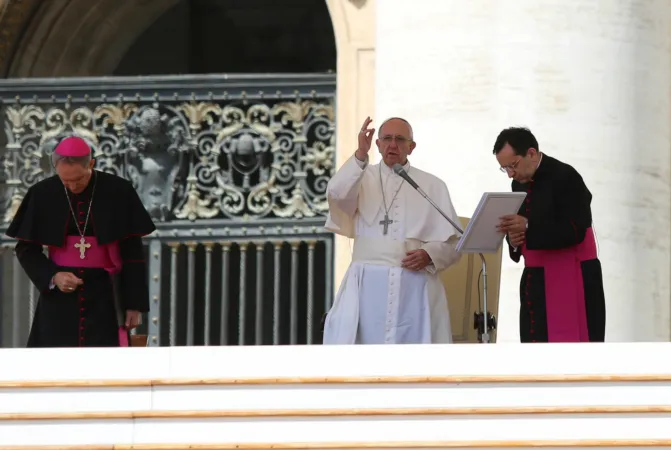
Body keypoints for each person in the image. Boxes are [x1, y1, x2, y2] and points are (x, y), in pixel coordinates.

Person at [5, 135, 156, 347]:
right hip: (58, 299)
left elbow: (132, 252)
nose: (72, 187)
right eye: (65, 181)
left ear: (91, 164)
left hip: (106, 295)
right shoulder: (42, 193)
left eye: (78, 180)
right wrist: (53, 276)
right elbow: (26, 249)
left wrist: (134, 305)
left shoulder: (118, 191)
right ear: (56, 167)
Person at [322, 116, 462, 344]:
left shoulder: (432, 186)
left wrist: (430, 254)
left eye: (399, 139)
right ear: (377, 144)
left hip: (415, 289)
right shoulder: (359, 177)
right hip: (367, 288)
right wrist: (360, 154)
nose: (392, 145)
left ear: (411, 147)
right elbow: (336, 196)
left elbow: (454, 243)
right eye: (386, 139)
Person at [493, 127, 606, 343]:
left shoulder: (566, 177)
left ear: (532, 154)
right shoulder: (518, 183)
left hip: (574, 277)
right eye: (504, 168)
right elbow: (521, 226)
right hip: (536, 279)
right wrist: (514, 240)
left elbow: (576, 229)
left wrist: (527, 228)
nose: (510, 174)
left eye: (513, 165)